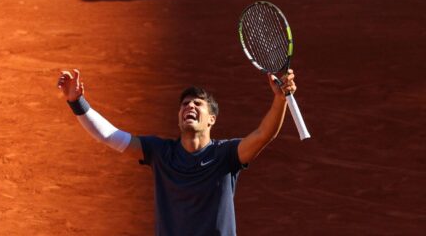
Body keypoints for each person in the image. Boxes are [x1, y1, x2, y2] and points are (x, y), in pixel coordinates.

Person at [57, 69, 297, 236]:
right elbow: (110, 136)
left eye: (197, 104)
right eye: (184, 104)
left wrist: (280, 99)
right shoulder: (161, 153)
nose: (189, 106)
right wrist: (77, 102)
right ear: (179, 118)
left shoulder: (226, 155)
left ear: (211, 119)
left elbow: (264, 134)